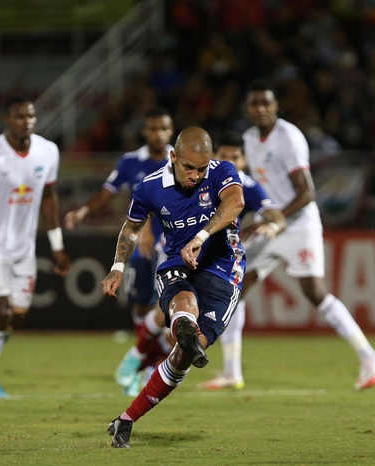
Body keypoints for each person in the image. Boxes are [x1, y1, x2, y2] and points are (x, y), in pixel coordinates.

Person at [102, 126, 246, 449]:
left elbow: (235, 202)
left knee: (184, 355)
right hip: (177, 265)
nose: (196, 176)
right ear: (173, 157)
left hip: (224, 269)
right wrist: (117, 267)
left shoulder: (222, 170)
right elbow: (131, 228)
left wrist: (201, 237)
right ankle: (183, 325)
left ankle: (125, 420)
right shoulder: (151, 187)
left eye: (201, 168)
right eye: (188, 168)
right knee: (184, 308)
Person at [242, 79, 375, 391]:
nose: (261, 109)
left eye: (266, 103)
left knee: (315, 293)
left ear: (276, 106)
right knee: (235, 285)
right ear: (247, 108)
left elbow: (307, 192)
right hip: (270, 224)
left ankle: (369, 357)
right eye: (255, 104)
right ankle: (227, 370)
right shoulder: (249, 139)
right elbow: (260, 187)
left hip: (298, 225)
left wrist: (276, 218)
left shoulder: (289, 137)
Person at [118, 131, 288, 392]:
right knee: (164, 314)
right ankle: (136, 358)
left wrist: (273, 227)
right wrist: (147, 234)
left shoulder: (243, 184)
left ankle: (154, 368)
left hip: (214, 262)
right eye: (225, 155)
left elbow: (274, 214)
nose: (230, 160)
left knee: (189, 323)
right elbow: (153, 203)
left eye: (236, 156)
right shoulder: (192, 176)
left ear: (244, 160)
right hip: (176, 255)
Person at [0, 96, 71, 398]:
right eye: (19, 116)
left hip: (23, 247)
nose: (27, 121)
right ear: (6, 119)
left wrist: (57, 244)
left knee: (18, 315)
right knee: (1, 311)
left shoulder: (48, 151)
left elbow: (48, 196)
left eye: (31, 116)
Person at [63, 107, 175, 394]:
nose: (158, 134)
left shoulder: (181, 161)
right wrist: (84, 211)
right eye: (153, 128)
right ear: (144, 131)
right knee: (141, 304)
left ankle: (143, 360)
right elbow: (108, 191)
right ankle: (145, 358)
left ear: (171, 131)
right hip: (139, 247)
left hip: (174, 244)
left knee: (167, 308)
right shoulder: (130, 162)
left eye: (163, 128)